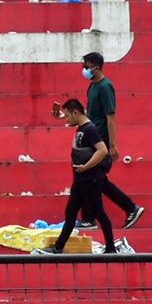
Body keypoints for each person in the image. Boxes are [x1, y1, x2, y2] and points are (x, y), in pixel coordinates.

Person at [51, 51, 145, 230]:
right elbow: (86, 115)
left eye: (86, 66)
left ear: (96, 66)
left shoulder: (105, 87)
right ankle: (122, 210)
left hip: (99, 141)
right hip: (91, 141)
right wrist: (64, 116)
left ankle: (101, 216)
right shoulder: (93, 87)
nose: (84, 70)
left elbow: (110, 116)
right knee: (96, 180)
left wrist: (112, 145)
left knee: (92, 180)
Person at [39, 99, 117, 254]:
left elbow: (102, 150)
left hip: (90, 178)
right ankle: (59, 247)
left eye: (68, 115)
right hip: (80, 180)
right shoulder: (81, 125)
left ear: (75, 113)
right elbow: (66, 117)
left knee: (99, 213)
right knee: (71, 212)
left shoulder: (90, 129)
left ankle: (110, 248)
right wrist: (58, 114)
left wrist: (86, 166)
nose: (66, 119)